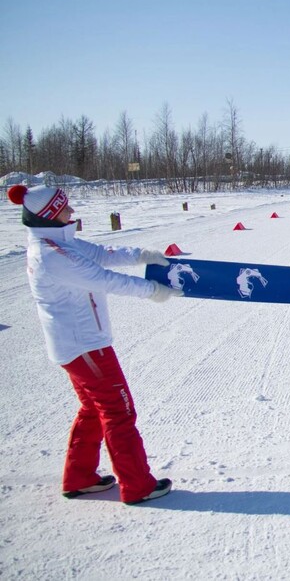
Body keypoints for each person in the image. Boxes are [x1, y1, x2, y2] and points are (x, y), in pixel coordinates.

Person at [8, 184, 180, 504]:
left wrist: (141, 255)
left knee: (93, 409)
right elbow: (103, 278)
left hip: (77, 344)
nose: (71, 212)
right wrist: (151, 290)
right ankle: (137, 484)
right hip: (85, 346)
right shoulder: (52, 255)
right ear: (48, 215)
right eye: (64, 208)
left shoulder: (59, 243)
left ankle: (79, 477)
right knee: (119, 410)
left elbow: (102, 254)